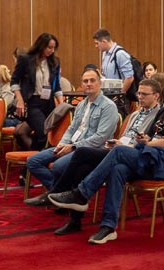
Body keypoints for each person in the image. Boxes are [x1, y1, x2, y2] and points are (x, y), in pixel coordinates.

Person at [48, 76, 164, 245]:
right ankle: (107, 227)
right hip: (147, 157)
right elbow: (151, 136)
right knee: (116, 169)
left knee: (119, 151)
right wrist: (144, 139)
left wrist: (145, 143)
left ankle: (82, 194)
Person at [23, 68, 120, 200]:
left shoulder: (108, 106)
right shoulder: (81, 105)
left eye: (92, 80)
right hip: (71, 145)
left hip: (91, 150)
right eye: (85, 81)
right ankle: (60, 193)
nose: (89, 84)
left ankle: (58, 194)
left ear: (100, 83)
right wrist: (62, 144)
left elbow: (100, 138)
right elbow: (71, 129)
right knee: (33, 161)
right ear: (82, 84)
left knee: (57, 167)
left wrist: (73, 147)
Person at [10, 33, 62, 150]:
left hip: (49, 103)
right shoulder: (25, 60)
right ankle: (38, 158)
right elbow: (14, 81)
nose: (52, 51)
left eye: (54, 48)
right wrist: (20, 100)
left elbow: (57, 86)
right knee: (43, 132)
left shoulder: (55, 62)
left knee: (48, 134)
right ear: (41, 45)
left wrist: (61, 104)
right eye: (49, 47)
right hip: (32, 102)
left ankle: (34, 158)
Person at [92, 28, 135, 96]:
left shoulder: (120, 54)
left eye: (97, 43)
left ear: (104, 41)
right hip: (108, 94)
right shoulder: (104, 54)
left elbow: (129, 78)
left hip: (119, 96)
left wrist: (120, 95)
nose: (96, 46)